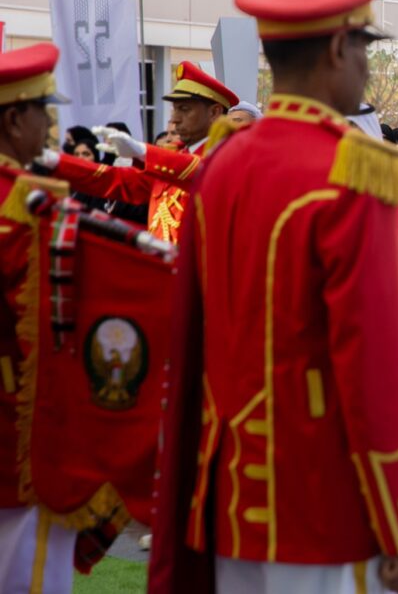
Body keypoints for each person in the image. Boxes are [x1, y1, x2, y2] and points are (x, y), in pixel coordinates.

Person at [149, 0, 398, 594]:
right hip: (324, 500)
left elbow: (197, 327)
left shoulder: (222, 164)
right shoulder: (351, 170)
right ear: (339, 47)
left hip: (230, 490)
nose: (366, 66)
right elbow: (372, 365)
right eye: (364, 47)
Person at [0, 43, 77, 594]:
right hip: (19, 441)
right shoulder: (29, 205)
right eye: (42, 111)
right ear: (13, 119)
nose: (49, 125)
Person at [38, 62, 239, 243]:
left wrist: (143, 152)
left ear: (214, 112)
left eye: (184, 109)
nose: (175, 119)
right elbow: (115, 181)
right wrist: (55, 163)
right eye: (174, 109)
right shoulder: (170, 158)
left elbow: (200, 171)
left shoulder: (228, 155)